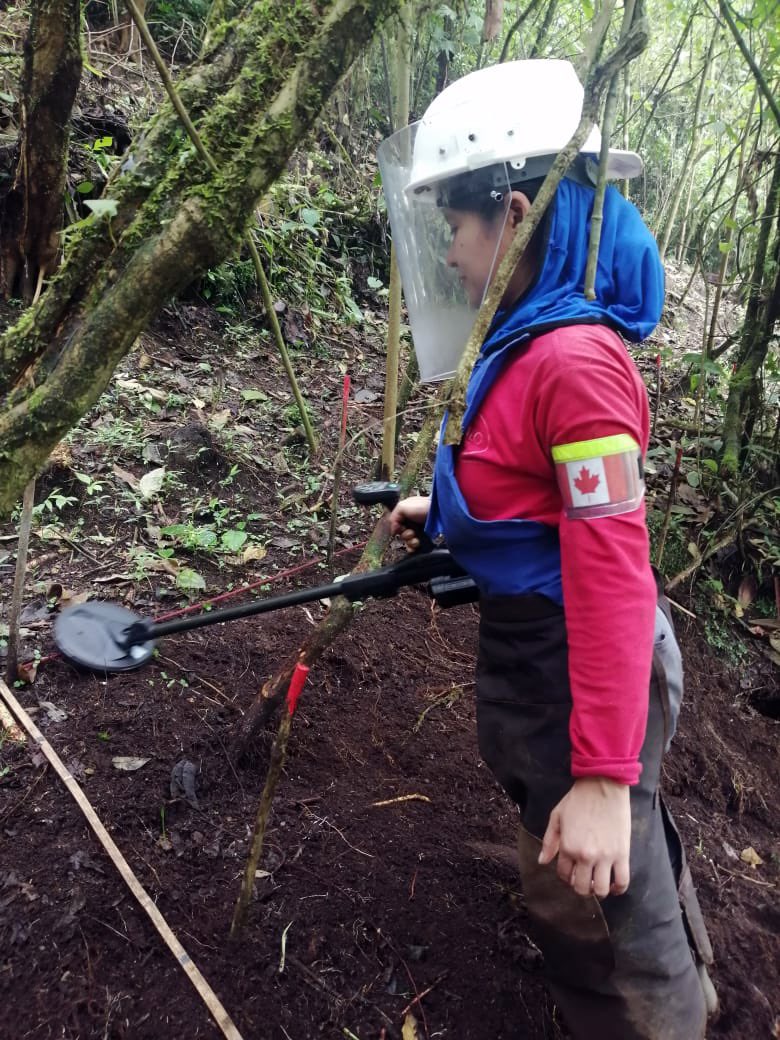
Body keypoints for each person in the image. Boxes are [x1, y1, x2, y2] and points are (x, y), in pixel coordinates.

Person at [377, 60, 716, 1040]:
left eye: (458, 224)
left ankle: (664, 1021)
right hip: (547, 664)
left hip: (586, 670)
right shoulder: (529, 343)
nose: (448, 248)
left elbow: (614, 573)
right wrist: (439, 512)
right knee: (598, 866)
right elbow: (521, 484)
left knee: (594, 886)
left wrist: (606, 778)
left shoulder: (576, 363)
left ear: (515, 213)